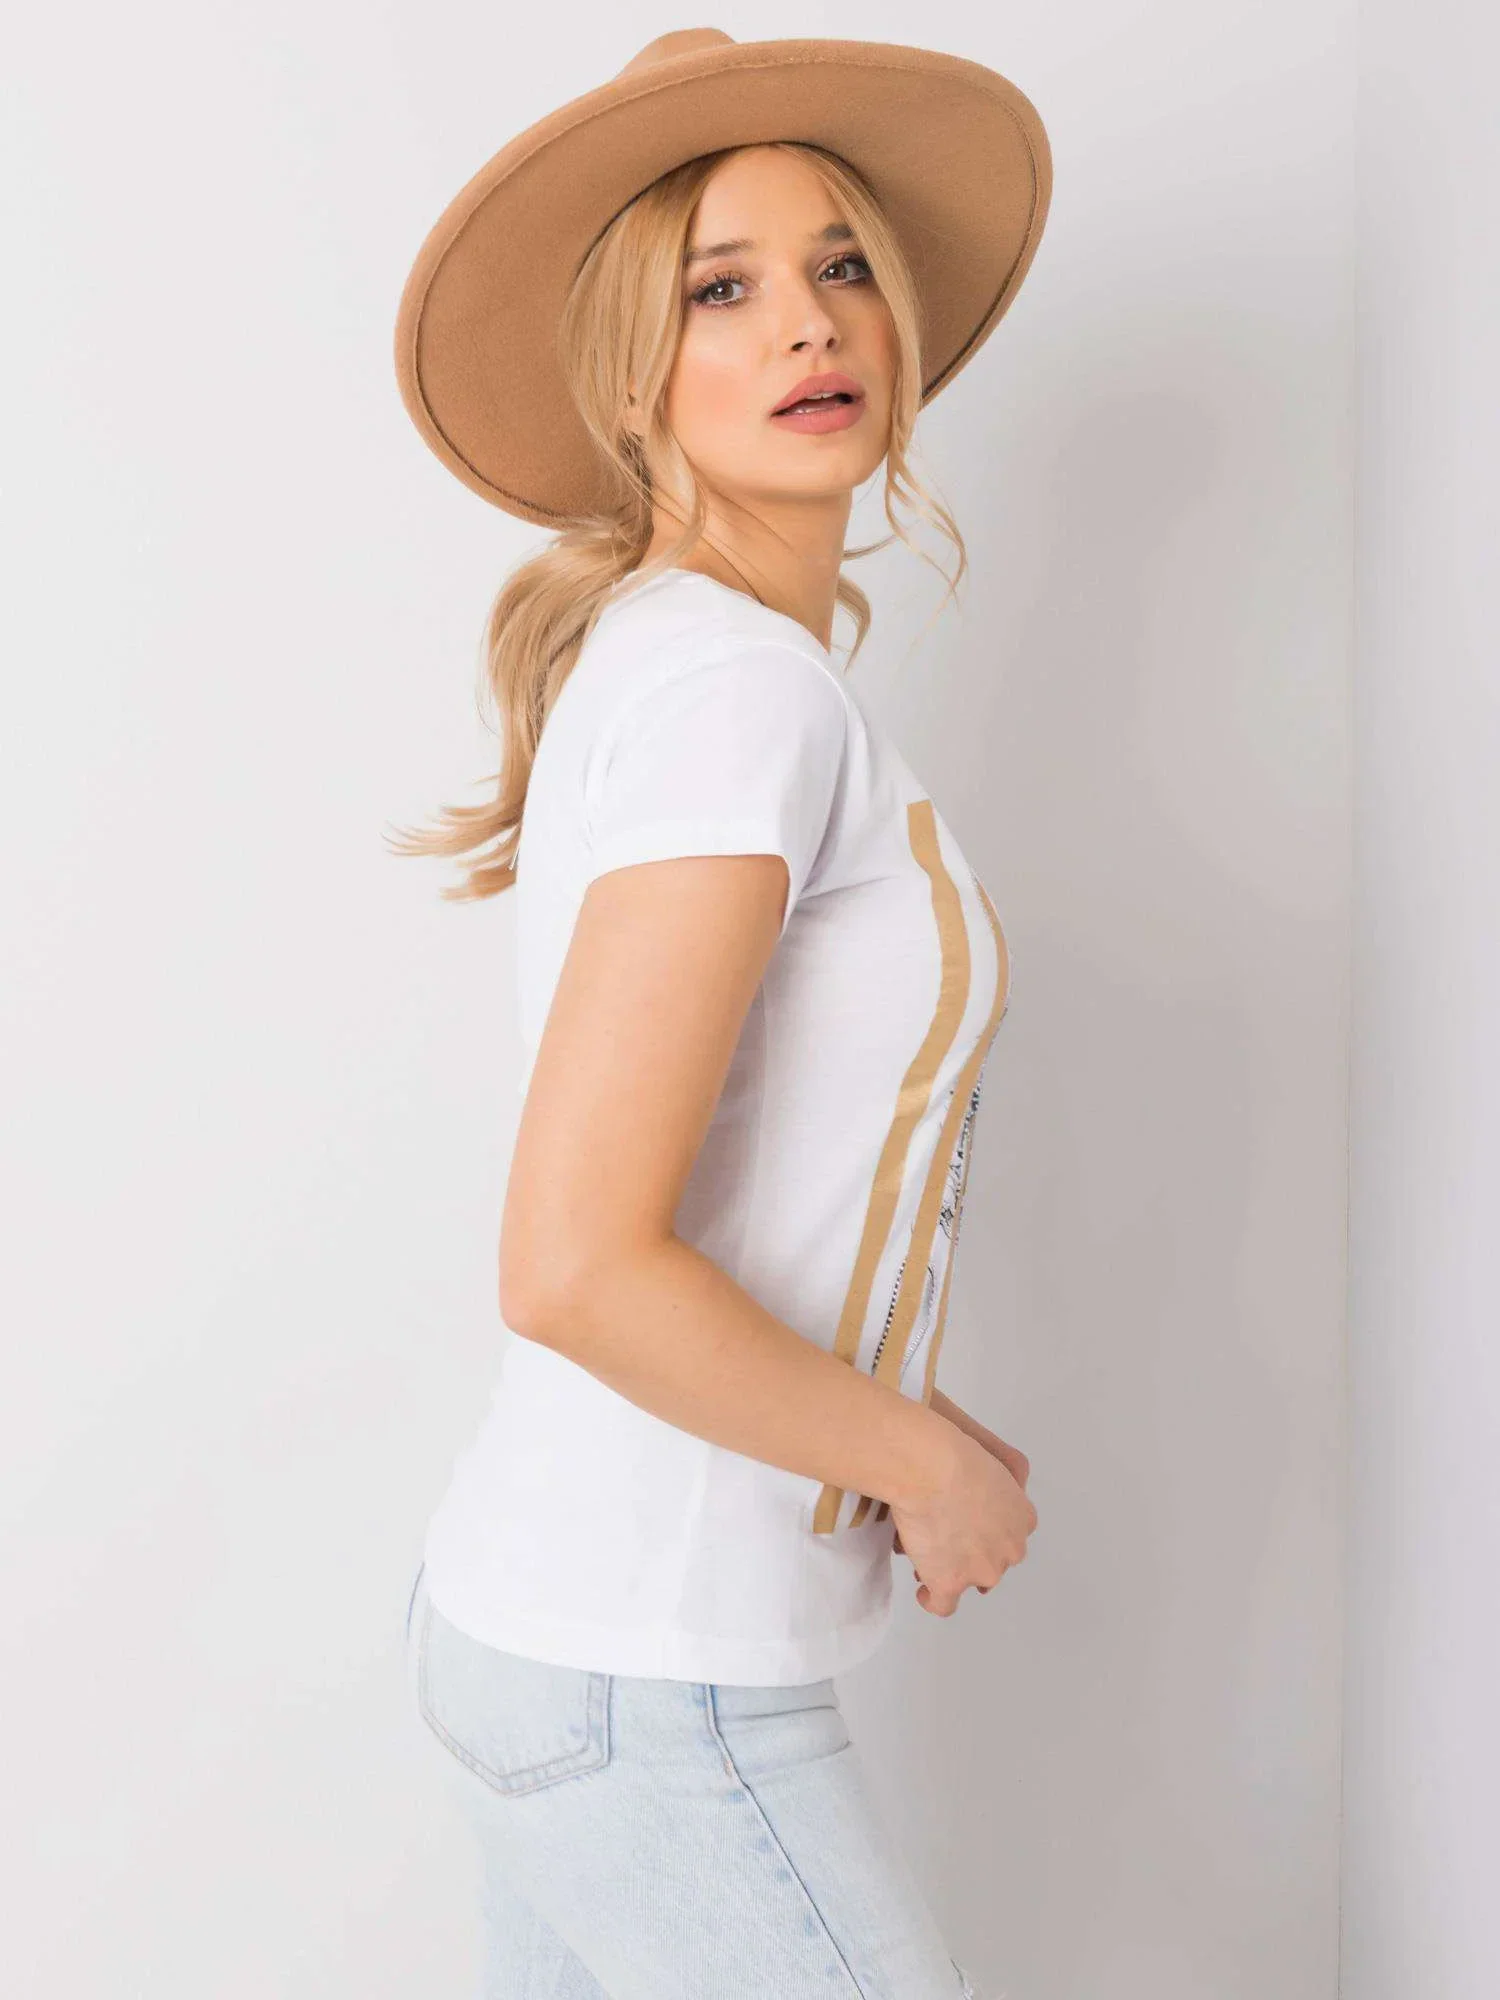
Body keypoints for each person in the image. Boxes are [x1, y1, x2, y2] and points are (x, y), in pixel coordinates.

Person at [387, 28, 1053, 1999]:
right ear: (630, 377)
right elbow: (575, 1260)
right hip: (645, 1675)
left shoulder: (695, 664)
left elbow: (737, 1194)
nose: (807, 323)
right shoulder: (738, 697)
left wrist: (903, 1414)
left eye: (841, 266)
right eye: (722, 289)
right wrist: (922, 1465)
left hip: (575, 1640)